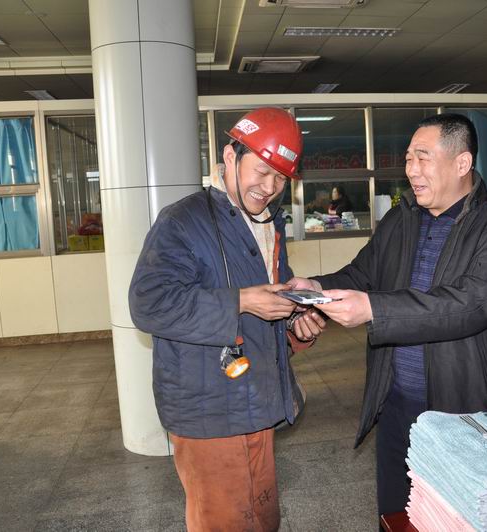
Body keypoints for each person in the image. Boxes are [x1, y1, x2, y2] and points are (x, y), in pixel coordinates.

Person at [290, 113, 487, 518]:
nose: (411, 170)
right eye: (407, 159)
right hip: (396, 402)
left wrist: (374, 309)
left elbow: (469, 304)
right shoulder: (401, 219)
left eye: (423, 158)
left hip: (463, 407)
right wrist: (315, 287)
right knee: (396, 512)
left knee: (457, 514)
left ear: (461, 163)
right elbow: (362, 275)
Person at [128, 107, 326, 532]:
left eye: (281, 178)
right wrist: (241, 301)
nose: (269, 188)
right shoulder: (182, 221)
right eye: (262, 171)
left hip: (257, 400)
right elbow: (149, 304)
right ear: (230, 156)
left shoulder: (267, 222)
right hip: (210, 411)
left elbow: (266, 303)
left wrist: (295, 322)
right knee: (224, 522)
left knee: (262, 517)